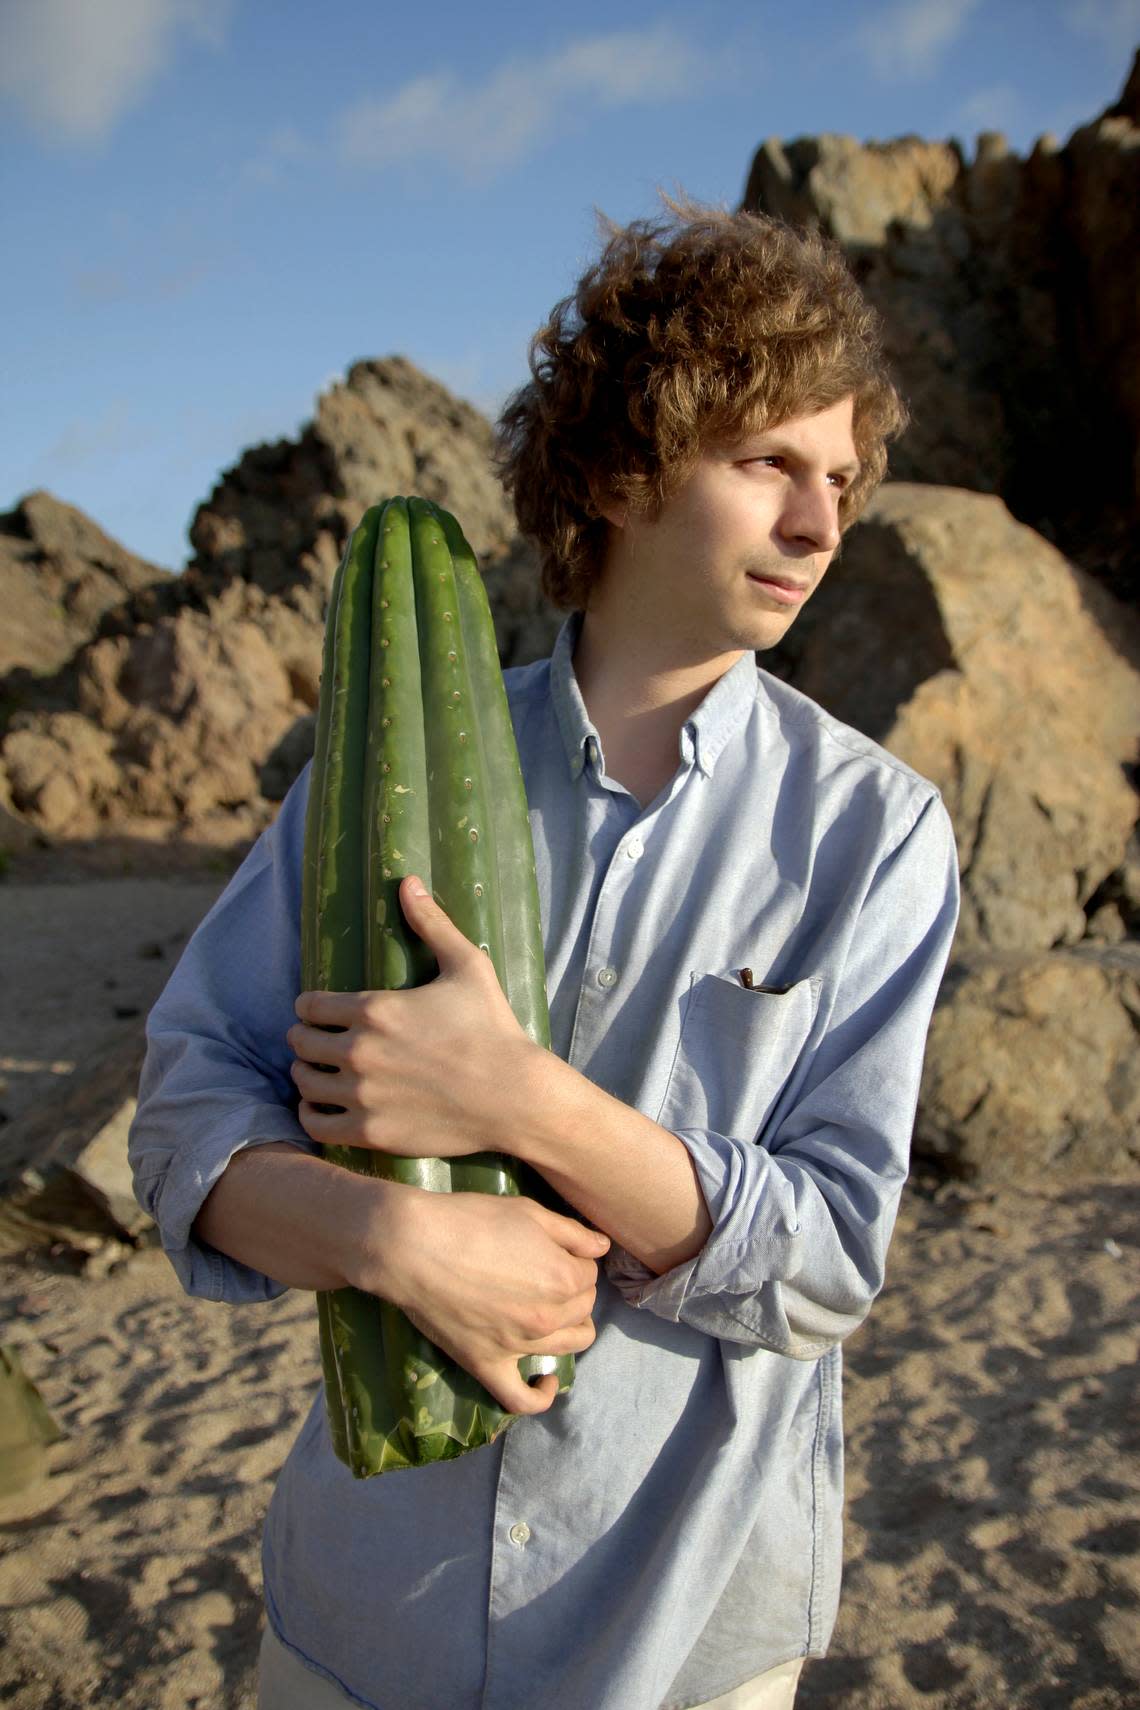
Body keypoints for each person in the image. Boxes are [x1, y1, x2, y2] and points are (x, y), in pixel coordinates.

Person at [129, 197, 959, 1710]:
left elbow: (835, 1251)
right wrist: (388, 1241)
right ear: (629, 460)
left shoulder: (876, 833)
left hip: (679, 1635)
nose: (821, 524)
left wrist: (520, 1100)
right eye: (769, 460)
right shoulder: (388, 761)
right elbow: (190, 1102)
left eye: (840, 476)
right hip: (359, 1619)